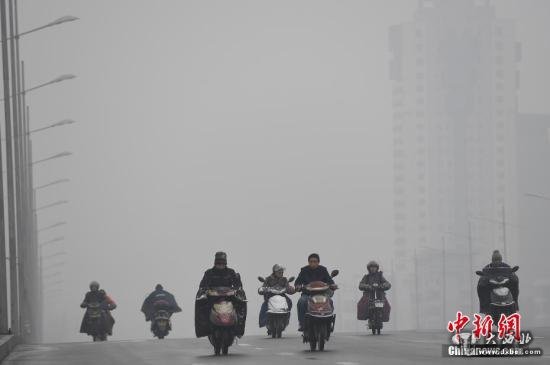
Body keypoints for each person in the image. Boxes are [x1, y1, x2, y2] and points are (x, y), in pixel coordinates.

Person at [195, 252, 247, 338]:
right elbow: (202, 285)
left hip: (229, 297)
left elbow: (237, 285)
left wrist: (239, 290)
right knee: (202, 307)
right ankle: (204, 328)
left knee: (240, 305)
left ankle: (239, 328)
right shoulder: (209, 273)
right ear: (215, 262)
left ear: (225, 262)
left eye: (222, 262)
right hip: (212, 298)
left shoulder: (231, 272)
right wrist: (203, 291)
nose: (220, 265)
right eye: (218, 262)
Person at [294, 253, 336, 331]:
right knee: (301, 302)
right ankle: (302, 323)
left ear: (318, 262)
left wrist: (333, 285)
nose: (313, 263)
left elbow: (330, 280)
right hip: (308, 294)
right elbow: (297, 282)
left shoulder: (323, 270)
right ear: (308, 262)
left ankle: (329, 322)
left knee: (330, 301)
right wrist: (298, 286)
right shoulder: (304, 270)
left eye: (315, 261)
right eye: (311, 261)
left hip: (322, 294)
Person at [258, 264, 294, 332]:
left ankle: (286, 319)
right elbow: (263, 287)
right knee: (264, 306)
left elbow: (288, 287)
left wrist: (290, 289)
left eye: (282, 272)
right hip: (270, 297)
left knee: (289, 302)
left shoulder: (284, 279)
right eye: (279, 272)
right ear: (274, 272)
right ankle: (265, 322)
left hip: (282, 296)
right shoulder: (268, 279)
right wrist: (263, 289)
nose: (281, 273)